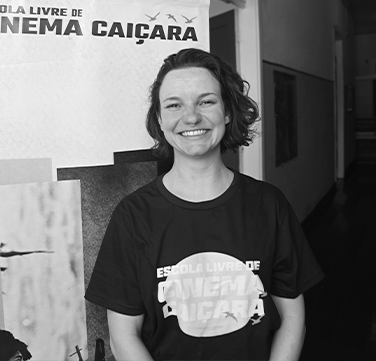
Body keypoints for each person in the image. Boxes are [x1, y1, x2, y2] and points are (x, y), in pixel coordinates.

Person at [85, 48, 324, 361]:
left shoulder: (269, 205)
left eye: (206, 101)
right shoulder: (133, 216)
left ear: (226, 111)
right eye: (174, 105)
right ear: (160, 118)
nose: (191, 117)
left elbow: (293, 318)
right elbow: (123, 336)